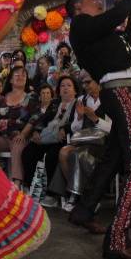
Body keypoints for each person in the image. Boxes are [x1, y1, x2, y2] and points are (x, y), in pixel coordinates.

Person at [65, 0, 131, 259]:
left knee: (115, 157)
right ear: (79, 8)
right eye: (92, 0)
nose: (98, 2)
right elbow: (113, 17)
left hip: (125, 91)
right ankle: (117, 239)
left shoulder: (100, 32)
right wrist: (126, 1)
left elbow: (128, 36)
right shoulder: (81, 25)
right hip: (122, 90)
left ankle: (84, 210)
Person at [48, 71, 109, 212]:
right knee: (63, 152)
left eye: (88, 82)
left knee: (77, 155)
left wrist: (95, 119)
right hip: (83, 139)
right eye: (83, 83)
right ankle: (81, 194)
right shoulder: (82, 99)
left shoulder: (108, 99)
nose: (85, 85)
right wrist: (80, 117)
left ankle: (76, 196)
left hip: (102, 142)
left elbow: (112, 128)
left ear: (98, 82)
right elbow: (75, 127)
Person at [22, 75, 78, 207]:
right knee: (28, 151)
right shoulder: (55, 103)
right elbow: (43, 119)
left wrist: (65, 128)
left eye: (69, 85)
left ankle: (51, 194)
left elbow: (77, 123)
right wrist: (36, 130)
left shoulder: (77, 104)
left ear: (75, 90)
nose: (65, 88)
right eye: (62, 86)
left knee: (52, 156)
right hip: (47, 138)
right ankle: (31, 187)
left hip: (63, 139)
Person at [0, 65, 36, 187]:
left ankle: (16, 182)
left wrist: (24, 133)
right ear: (10, 80)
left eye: (23, 75)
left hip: (20, 135)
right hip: (2, 136)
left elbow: (34, 119)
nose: (20, 77)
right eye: (17, 75)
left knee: (18, 144)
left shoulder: (31, 97)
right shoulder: (2, 99)